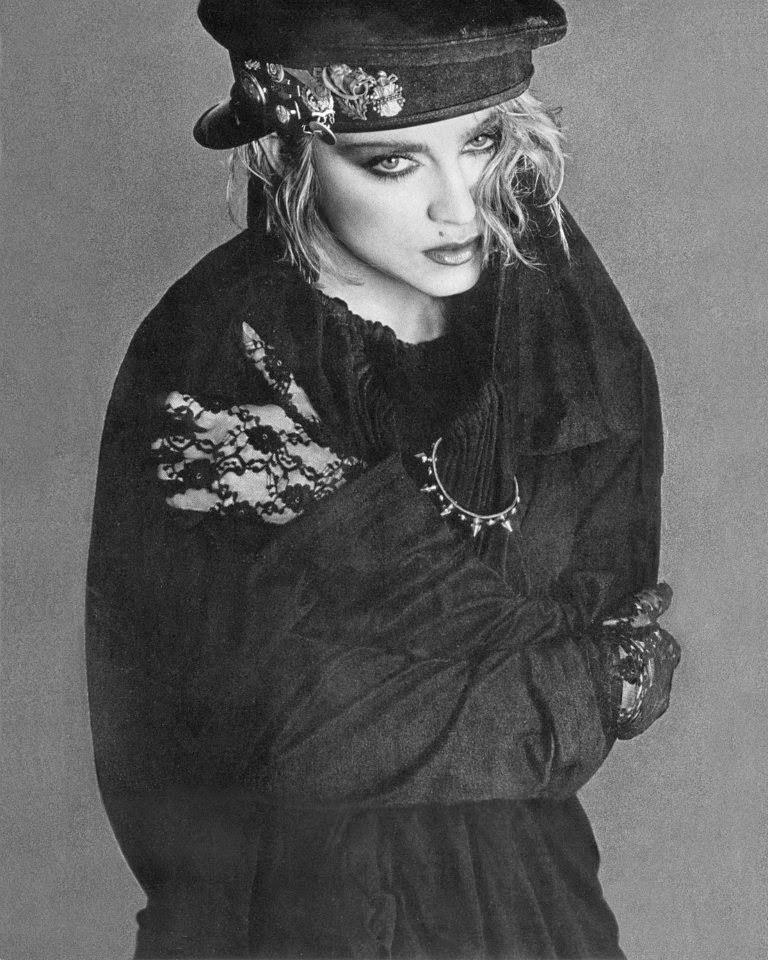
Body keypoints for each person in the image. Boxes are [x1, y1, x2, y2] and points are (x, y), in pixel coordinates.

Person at [86, 1, 682, 957]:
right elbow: (297, 741)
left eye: (479, 143)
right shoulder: (218, 351)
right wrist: (582, 685)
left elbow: (607, 621)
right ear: (289, 153)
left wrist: (541, 685)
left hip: (534, 904)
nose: (460, 207)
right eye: (394, 162)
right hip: (281, 913)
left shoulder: (560, 325)